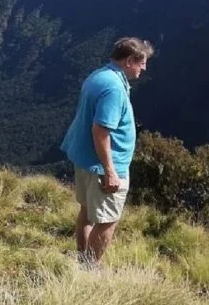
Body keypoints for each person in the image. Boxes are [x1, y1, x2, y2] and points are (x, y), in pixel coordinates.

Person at [60, 36, 154, 266]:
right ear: (130, 60)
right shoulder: (114, 88)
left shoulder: (99, 75)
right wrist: (110, 171)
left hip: (84, 158)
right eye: (142, 62)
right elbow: (101, 130)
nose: (144, 68)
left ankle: (83, 260)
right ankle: (90, 269)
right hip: (103, 166)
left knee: (87, 211)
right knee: (107, 220)